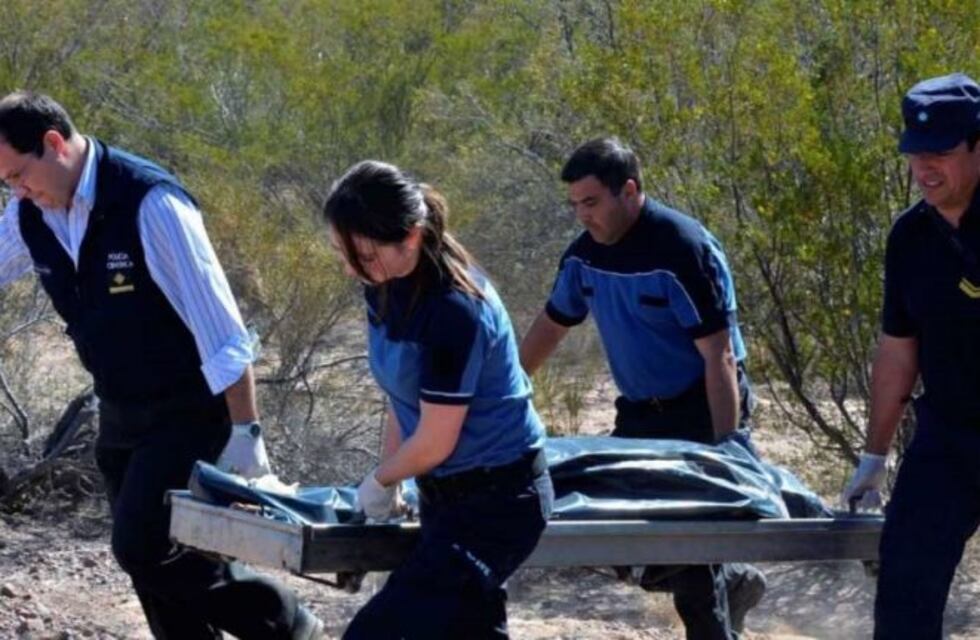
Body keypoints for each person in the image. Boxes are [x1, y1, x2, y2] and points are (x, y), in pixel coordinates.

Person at [0, 91, 322, 639]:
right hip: (121, 408)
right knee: (153, 564)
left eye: (17, 174)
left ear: (54, 144)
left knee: (140, 544)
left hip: (190, 409)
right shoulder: (31, 213)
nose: (16, 189)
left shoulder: (150, 202)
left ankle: (288, 626)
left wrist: (246, 432)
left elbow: (220, 330)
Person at [520, 137, 765, 639]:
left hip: (703, 405)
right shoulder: (584, 257)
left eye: (591, 202)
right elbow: (551, 325)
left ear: (628, 191)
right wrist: (505, 393)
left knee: (689, 544)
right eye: (574, 205)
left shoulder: (682, 249)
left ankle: (717, 614)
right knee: (621, 532)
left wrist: (727, 448)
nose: (581, 216)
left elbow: (718, 355)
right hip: (640, 413)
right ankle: (734, 580)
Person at [321, 160, 553, 639]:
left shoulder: (454, 311)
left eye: (361, 255)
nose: (350, 268)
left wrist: (381, 478)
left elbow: (436, 438)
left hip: (498, 503)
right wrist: (391, 484)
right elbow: (403, 399)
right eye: (342, 253)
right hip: (443, 500)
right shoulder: (384, 287)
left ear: (410, 237)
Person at [842, 72, 980, 639]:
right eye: (915, 153)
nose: (925, 168)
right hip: (948, 435)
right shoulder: (910, 238)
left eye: (942, 153)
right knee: (903, 592)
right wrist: (874, 456)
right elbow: (899, 350)